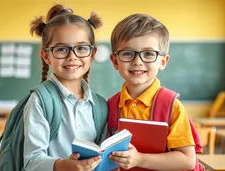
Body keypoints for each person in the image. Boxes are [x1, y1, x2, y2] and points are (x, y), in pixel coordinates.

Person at [24, 4, 107, 171]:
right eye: (61, 49)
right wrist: (63, 166)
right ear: (46, 56)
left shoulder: (100, 104)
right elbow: (31, 161)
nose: (72, 56)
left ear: (92, 55)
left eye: (81, 48)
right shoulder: (40, 100)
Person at [108, 14, 196, 170]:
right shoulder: (109, 106)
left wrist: (139, 159)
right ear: (115, 61)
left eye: (148, 54)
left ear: (163, 61)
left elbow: (187, 161)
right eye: (128, 53)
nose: (137, 61)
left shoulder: (172, 107)